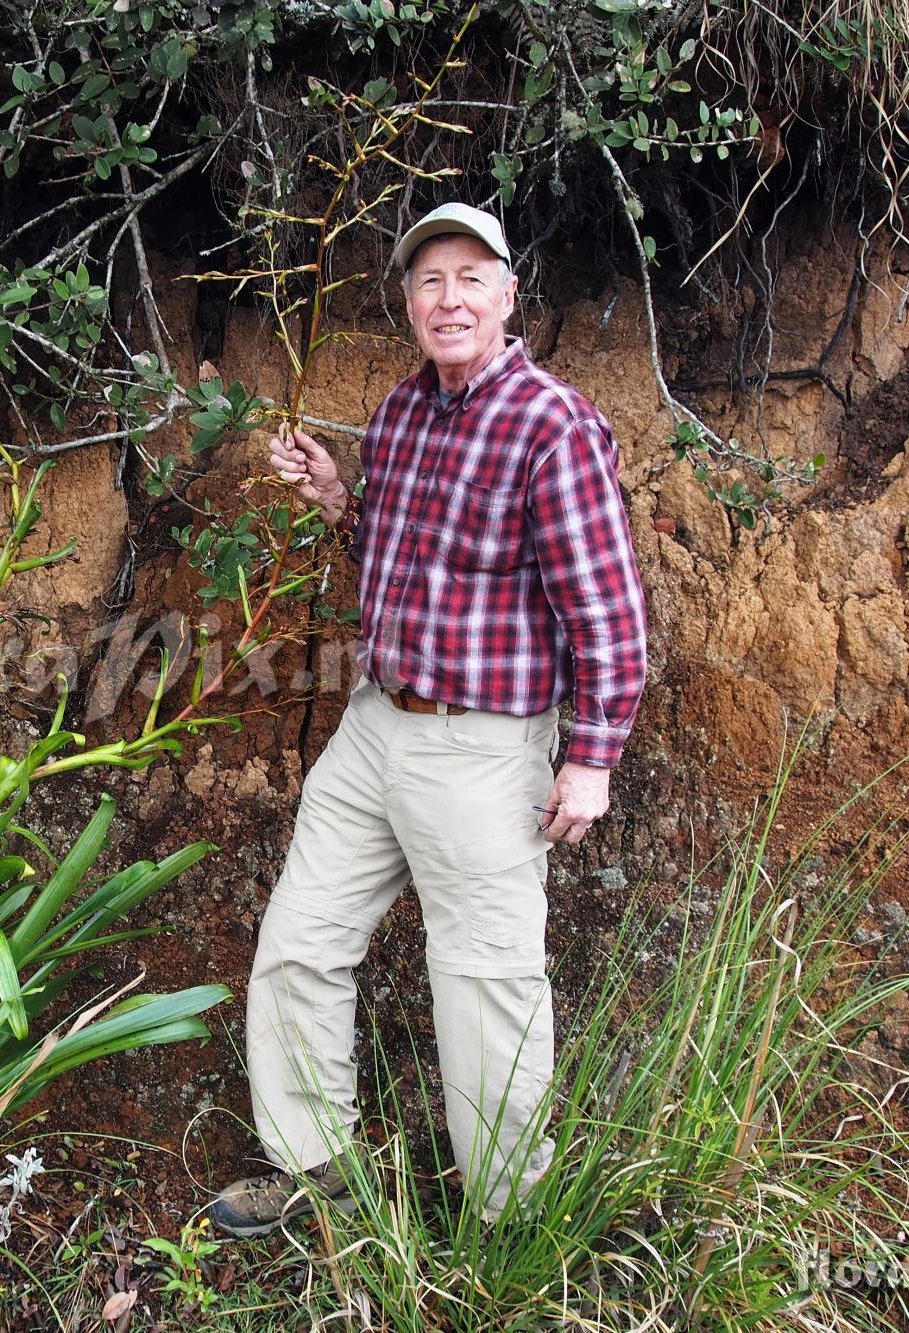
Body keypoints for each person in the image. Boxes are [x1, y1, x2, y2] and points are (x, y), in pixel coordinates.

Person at [208, 202, 648, 1238]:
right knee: (299, 943)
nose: (446, 299)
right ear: (404, 301)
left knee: (484, 985)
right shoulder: (402, 411)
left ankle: (505, 1222)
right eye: (426, 281)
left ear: (506, 295)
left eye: (467, 278)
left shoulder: (552, 424)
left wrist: (590, 759)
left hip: (483, 744)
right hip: (375, 727)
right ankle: (313, 1165)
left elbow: (606, 610)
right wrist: (333, 497)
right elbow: (400, 555)